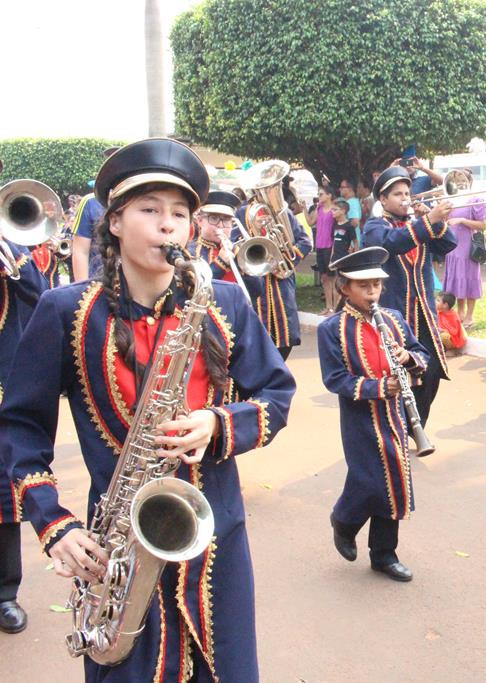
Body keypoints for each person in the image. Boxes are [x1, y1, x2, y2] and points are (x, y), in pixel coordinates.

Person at [0, 138, 296, 680]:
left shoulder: (224, 300)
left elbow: (277, 394)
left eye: (180, 214)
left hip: (216, 538)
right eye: (150, 210)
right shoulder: (64, 311)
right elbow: (19, 426)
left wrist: (219, 424)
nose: (168, 226)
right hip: (117, 553)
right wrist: (55, 524)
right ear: (113, 222)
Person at [318, 246, 430, 582]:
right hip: (360, 416)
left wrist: (407, 358)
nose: (372, 292)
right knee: (368, 478)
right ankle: (344, 520)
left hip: (395, 414)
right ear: (344, 289)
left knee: (394, 479)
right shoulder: (332, 329)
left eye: (376, 285)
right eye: (364, 286)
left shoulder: (393, 318)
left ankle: (384, 554)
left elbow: (419, 351)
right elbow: (335, 379)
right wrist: (379, 388)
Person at [363, 166, 456, 427]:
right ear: (383, 199)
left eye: (407, 192)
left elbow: (449, 244)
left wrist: (436, 220)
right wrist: (426, 222)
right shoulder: (374, 226)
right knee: (398, 375)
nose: (405, 197)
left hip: (424, 313)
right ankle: (400, 427)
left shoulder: (417, 225)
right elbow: (391, 243)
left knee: (431, 372)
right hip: (393, 315)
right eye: (397, 194)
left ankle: (417, 425)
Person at [0, 241, 48, 635]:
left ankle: (4, 594)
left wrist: (17, 263)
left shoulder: (12, 250)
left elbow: (43, 298)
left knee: (3, 498)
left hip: (3, 392)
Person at [234, 189, 313, 360]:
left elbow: (305, 242)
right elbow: (235, 241)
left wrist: (284, 262)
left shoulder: (284, 213)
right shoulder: (243, 212)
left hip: (281, 281)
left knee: (286, 335)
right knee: (256, 338)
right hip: (255, 279)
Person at [188, 189, 264, 304]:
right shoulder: (190, 252)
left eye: (226, 220)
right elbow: (192, 289)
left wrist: (242, 264)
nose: (220, 225)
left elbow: (257, 291)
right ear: (200, 221)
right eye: (213, 218)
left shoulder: (238, 251)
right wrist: (220, 263)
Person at [440, 169, 486, 326]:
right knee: (456, 278)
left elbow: (482, 225)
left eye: (462, 179)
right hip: (452, 245)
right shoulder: (452, 199)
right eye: (456, 180)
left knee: (469, 277)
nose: (459, 182)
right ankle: (459, 312)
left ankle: (469, 315)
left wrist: (461, 220)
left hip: (468, 246)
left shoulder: (476, 199)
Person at [70, 147, 119, 281]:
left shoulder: (138, 202)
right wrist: (82, 290)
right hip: (96, 282)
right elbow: (80, 251)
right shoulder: (90, 202)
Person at [314, 187, 338, 315]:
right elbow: (310, 221)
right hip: (319, 246)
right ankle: (328, 307)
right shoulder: (319, 208)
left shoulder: (334, 209)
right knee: (324, 278)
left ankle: (334, 307)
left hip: (329, 246)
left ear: (329, 195)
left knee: (332, 278)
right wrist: (305, 210)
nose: (319, 196)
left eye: (321, 194)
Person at [338, 177, 363, 247]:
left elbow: (355, 222)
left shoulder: (352, 202)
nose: (340, 189)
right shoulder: (350, 202)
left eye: (342, 187)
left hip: (351, 245)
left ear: (350, 188)